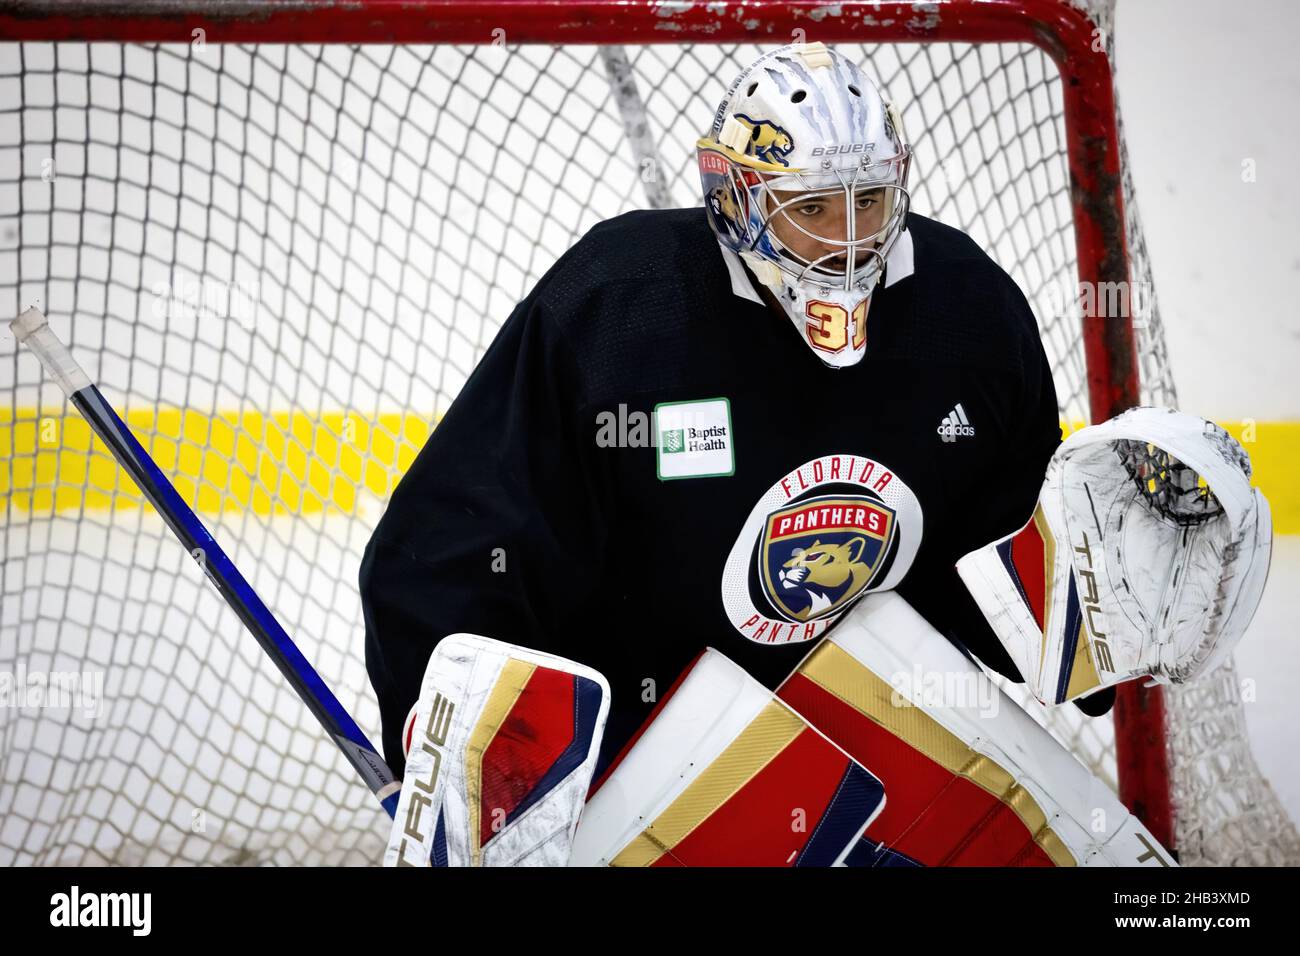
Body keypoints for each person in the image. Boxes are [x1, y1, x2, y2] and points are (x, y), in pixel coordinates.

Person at [360, 41, 1111, 780]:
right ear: (738, 197)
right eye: (811, 206)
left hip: (884, 743)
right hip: (642, 767)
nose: (848, 242)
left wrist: (1103, 609)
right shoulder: (618, 313)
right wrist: (461, 753)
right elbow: (458, 548)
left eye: (869, 201)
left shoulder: (968, 312)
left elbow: (1009, 562)